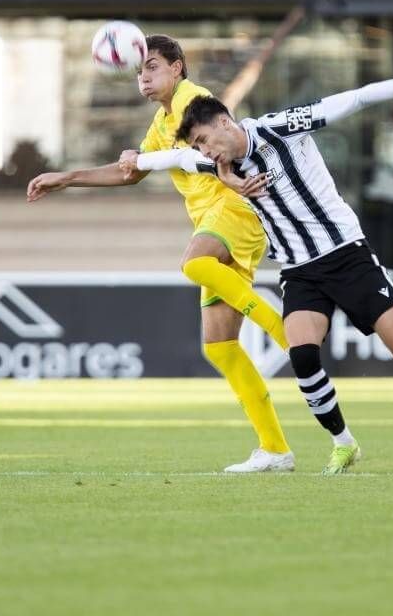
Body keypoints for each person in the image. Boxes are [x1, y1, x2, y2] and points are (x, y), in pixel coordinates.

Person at [119, 52, 393, 475]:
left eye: (206, 141)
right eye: (199, 148)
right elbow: (169, 159)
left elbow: (355, 98)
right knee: (302, 357)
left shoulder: (282, 127)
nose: (206, 153)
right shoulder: (214, 162)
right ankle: (344, 444)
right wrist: (135, 159)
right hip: (300, 272)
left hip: (348, 256)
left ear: (225, 121)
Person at [26, 35, 294, 473]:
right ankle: (275, 449)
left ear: (177, 68)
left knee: (194, 262)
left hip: (234, 208)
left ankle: (284, 334)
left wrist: (146, 158)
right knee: (221, 347)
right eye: (138, 71)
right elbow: (130, 172)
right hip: (212, 219)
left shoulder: (195, 101)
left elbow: (200, 153)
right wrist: (69, 177)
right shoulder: (161, 121)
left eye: (151, 67)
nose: (143, 77)